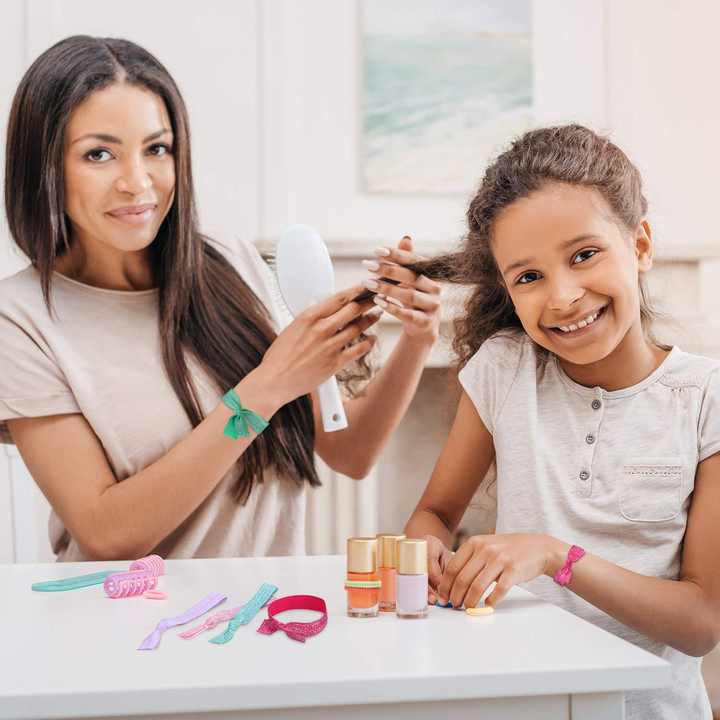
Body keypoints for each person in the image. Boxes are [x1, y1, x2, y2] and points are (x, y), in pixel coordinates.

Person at [0, 35, 441, 562]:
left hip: (264, 619)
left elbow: (350, 451)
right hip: (126, 632)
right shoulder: (20, 320)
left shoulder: (228, 261)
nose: (137, 183)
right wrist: (267, 387)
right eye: (99, 154)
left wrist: (417, 337)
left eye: (156, 149)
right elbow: (106, 533)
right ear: (44, 166)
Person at [400, 125, 720, 719]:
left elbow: (701, 624)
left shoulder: (705, 398)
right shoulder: (504, 370)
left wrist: (556, 557)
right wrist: (429, 559)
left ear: (641, 245)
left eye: (583, 255)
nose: (564, 296)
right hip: (521, 701)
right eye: (528, 276)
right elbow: (435, 514)